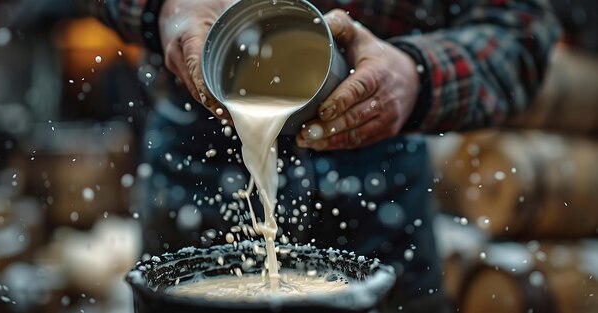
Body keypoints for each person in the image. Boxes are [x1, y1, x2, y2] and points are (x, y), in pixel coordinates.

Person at [77, 0, 559, 311]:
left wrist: (417, 77)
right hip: (198, 157)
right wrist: (161, 7)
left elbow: (521, 31)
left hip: (381, 164)